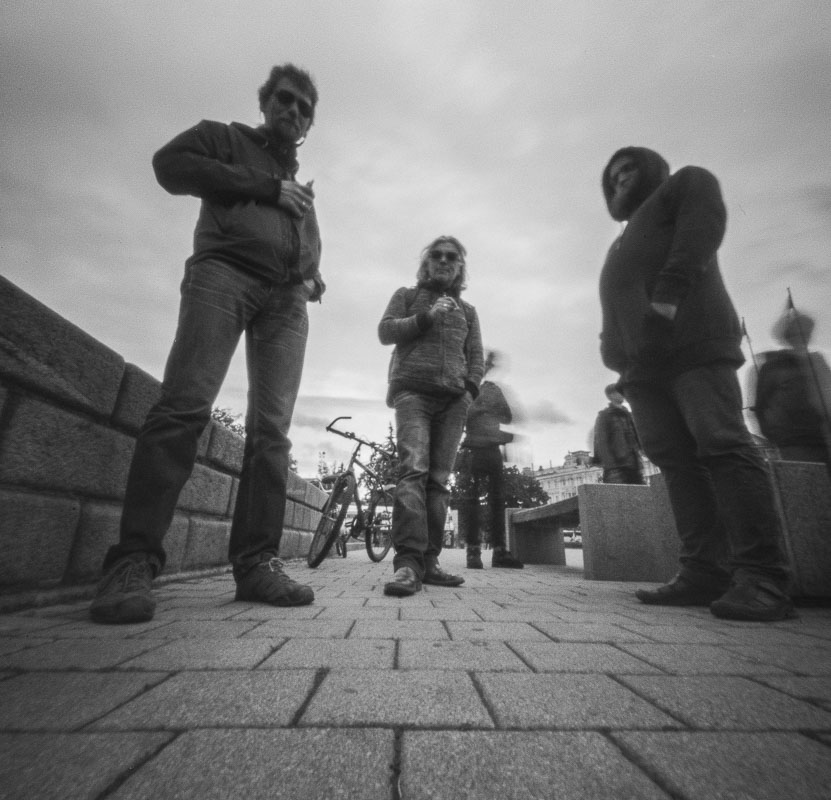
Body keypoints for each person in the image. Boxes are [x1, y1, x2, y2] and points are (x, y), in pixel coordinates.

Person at [90, 64, 323, 624]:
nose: (292, 111)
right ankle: (134, 561)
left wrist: (310, 273)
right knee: (184, 406)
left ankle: (257, 564)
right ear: (265, 102)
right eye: (285, 99)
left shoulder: (300, 186)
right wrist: (266, 188)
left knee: (272, 434)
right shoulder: (224, 138)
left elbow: (305, 243)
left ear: (309, 124)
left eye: (304, 108)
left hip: (286, 302)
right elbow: (169, 166)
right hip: (224, 274)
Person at [598, 146, 794, 621]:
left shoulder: (685, 184)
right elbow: (616, 297)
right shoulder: (620, 241)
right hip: (642, 369)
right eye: (613, 176)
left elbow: (699, 233)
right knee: (675, 462)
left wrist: (667, 299)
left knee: (723, 444)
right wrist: (612, 348)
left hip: (693, 341)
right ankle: (703, 570)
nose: (621, 178)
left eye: (629, 168)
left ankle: (764, 576)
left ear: (652, 169)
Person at [378, 235, 484, 596]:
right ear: (426, 264)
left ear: (459, 267)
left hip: (454, 401)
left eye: (451, 257)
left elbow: (476, 357)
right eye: (436, 255)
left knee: (438, 481)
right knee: (413, 471)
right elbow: (386, 331)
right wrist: (426, 317)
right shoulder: (407, 296)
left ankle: (430, 561)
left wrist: (469, 392)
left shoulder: (469, 312)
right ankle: (408, 564)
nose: (443, 261)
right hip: (412, 393)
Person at [457, 350, 524, 569]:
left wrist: (486, 409)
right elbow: (461, 414)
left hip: (492, 449)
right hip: (473, 449)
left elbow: (507, 416)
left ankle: (499, 551)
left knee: (497, 501)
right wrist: (483, 408)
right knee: (472, 501)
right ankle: (473, 551)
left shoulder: (493, 389)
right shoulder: (466, 388)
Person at [751, 308, 831, 466]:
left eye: (806, 331)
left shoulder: (818, 362)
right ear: (788, 336)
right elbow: (761, 405)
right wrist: (775, 435)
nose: (803, 336)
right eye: (798, 332)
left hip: (825, 436)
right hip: (794, 442)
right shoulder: (773, 366)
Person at [592, 383, 645, 484]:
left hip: (634, 464)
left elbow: (637, 437)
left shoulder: (628, 414)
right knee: (621, 493)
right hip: (617, 467)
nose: (622, 394)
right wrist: (611, 466)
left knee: (640, 491)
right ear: (610, 396)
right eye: (619, 392)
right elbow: (601, 443)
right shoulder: (605, 416)